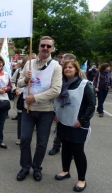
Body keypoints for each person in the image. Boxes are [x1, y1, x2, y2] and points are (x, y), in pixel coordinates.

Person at [16, 36, 62, 182]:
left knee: (42, 142)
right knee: (24, 139)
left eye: (49, 46)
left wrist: (35, 98)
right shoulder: (29, 64)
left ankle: (37, 167)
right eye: (43, 45)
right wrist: (26, 80)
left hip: (46, 111)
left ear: (52, 49)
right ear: (38, 47)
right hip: (28, 110)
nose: (45, 48)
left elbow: (56, 90)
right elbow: (19, 83)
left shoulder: (56, 66)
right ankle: (25, 166)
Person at [53, 60, 95, 192]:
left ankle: (82, 179)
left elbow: (91, 104)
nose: (67, 69)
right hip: (63, 122)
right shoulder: (60, 85)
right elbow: (56, 101)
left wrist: (82, 120)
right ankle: (65, 171)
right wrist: (55, 113)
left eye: (70, 67)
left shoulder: (85, 84)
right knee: (65, 148)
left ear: (76, 70)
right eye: (65, 67)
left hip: (78, 124)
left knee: (77, 151)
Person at [11, 57, 29, 145]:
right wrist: (15, 90)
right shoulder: (18, 71)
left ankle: (27, 137)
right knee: (21, 119)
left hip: (32, 99)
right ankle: (21, 137)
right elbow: (12, 81)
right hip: (20, 99)